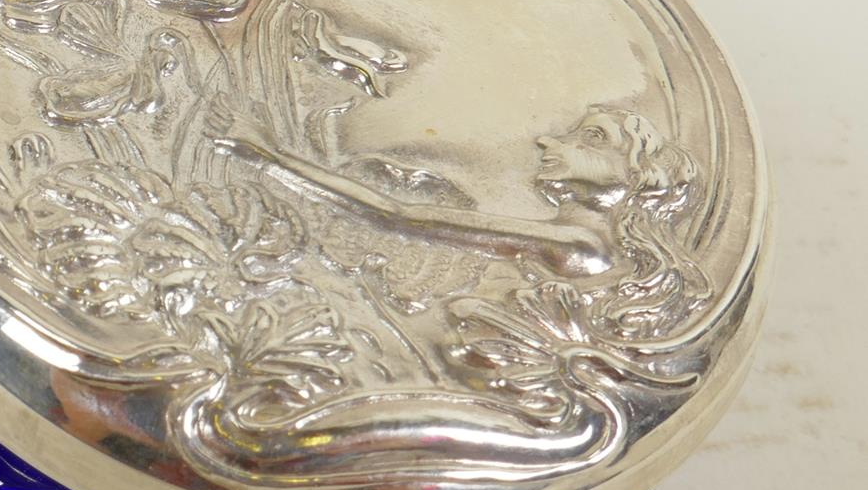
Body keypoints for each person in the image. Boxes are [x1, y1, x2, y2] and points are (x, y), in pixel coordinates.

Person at [212, 104, 704, 332]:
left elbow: (398, 214)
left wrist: (265, 154)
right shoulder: (572, 237)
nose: (548, 141)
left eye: (592, 139)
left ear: (641, 172)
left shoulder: (583, 247)